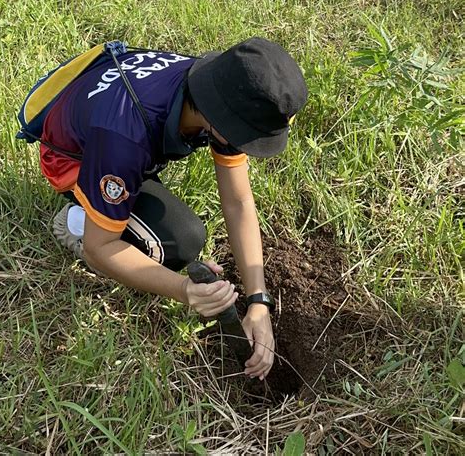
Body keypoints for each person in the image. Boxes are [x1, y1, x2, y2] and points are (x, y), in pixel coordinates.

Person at [41, 37, 308, 380]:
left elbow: (239, 200)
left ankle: (115, 204)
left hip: (109, 133)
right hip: (73, 158)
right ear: (221, 123)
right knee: (180, 241)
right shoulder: (123, 137)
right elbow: (100, 249)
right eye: (247, 137)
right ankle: (78, 220)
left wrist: (259, 302)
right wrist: (185, 291)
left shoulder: (214, 87)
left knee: (178, 229)